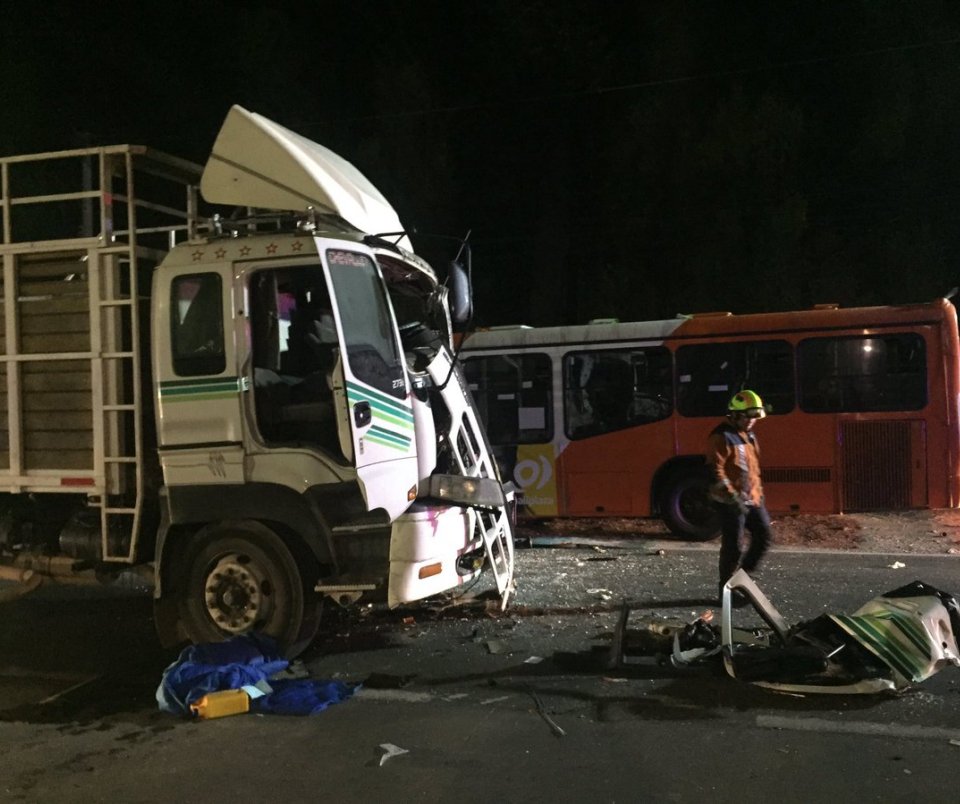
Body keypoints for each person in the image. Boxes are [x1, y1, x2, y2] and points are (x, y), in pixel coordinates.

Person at [708, 389, 772, 602]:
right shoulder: (721, 436)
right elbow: (716, 470)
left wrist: (757, 494)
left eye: (756, 417)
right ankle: (726, 591)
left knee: (764, 536)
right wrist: (733, 496)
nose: (753, 421)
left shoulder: (749, 435)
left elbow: (752, 469)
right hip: (729, 502)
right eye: (749, 416)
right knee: (733, 547)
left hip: (751, 499)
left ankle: (742, 580)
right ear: (734, 415)